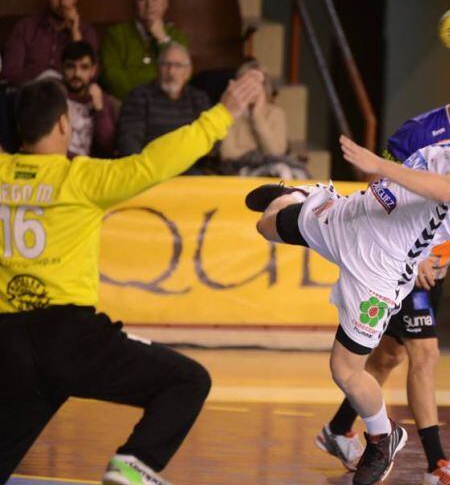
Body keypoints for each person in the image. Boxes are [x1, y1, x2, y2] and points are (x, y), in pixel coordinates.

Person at [246, 27, 450, 485]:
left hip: (380, 271)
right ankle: (300, 193)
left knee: (345, 368)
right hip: (357, 218)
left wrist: (380, 166)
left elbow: (445, 187)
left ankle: (381, 437)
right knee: (267, 224)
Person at [0, 72, 261, 484]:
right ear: (64, 124)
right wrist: (222, 114)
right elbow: (154, 162)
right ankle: (133, 464)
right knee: (187, 380)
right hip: (70, 338)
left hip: (7, 344)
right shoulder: (81, 179)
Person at [316, 57, 450, 485]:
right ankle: (438, 465)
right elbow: (379, 187)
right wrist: (418, 255)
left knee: (389, 354)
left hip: (434, 272)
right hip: (400, 264)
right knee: (425, 354)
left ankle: (338, 430)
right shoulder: (419, 132)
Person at [116, 42, 210, 167]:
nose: (171, 71)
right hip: (149, 171)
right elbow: (129, 142)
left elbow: (210, 139)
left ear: (188, 72)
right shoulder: (139, 96)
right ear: (157, 68)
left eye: (177, 66)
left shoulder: (199, 99)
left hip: (189, 170)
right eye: (166, 65)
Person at [100, 0, 188, 100]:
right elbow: (111, 77)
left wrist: (163, 40)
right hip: (126, 101)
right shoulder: (116, 34)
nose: (149, 5)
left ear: (165, 3)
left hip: (166, 103)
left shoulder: (177, 37)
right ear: (135, 3)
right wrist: (141, 99)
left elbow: (183, 75)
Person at [1, 0, 99, 86]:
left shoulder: (86, 31)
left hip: (69, 96)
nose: (62, 3)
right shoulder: (25, 27)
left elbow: (91, 76)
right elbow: (10, 72)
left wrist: (75, 32)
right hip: (30, 93)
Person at [218, 60, 308, 179]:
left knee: (291, 173)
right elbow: (227, 154)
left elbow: (276, 152)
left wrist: (257, 116)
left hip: (274, 169)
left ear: (265, 87)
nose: (251, 88)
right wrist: (255, 154)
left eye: (257, 83)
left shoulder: (276, 113)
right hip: (239, 170)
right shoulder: (229, 113)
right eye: (247, 82)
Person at [61, 41, 116, 157]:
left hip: (90, 168)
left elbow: (107, 147)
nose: (76, 73)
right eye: (70, 66)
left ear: (93, 70)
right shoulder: (53, 96)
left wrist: (99, 109)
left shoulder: (103, 100)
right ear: (62, 67)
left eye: (84, 67)